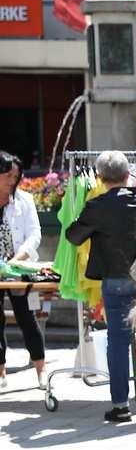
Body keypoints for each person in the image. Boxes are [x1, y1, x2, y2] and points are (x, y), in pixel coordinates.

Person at [65, 150, 136, 421]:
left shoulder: (97, 205)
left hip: (115, 279)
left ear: (100, 178)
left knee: (117, 341)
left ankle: (121, 406)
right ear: (128, 174)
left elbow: (74, 237)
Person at [0, 150, 46, 389]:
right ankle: (1, 372)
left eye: (16, 176)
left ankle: (41, 370)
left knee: (26, 317)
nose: (13, 181)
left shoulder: (24, 200)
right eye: (8, 175)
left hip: (19, 268)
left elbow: (35, 234)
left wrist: (17, 258)